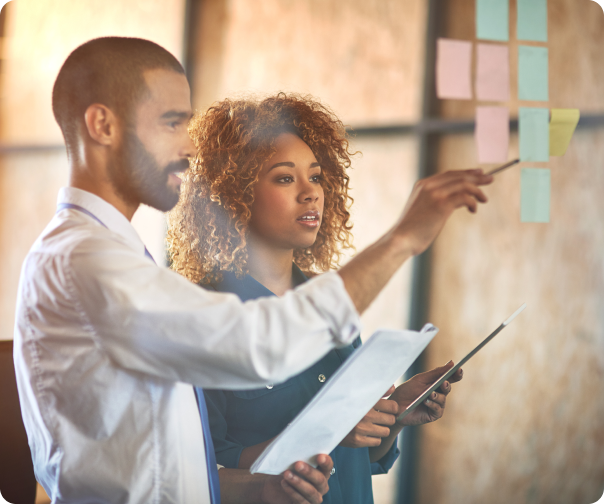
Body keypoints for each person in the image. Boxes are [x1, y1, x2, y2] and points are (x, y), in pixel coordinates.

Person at [13, 37, 492, 504]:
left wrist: (269, 488)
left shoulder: (118, 255)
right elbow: (257, 346)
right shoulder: (85, 260)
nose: (189, 147)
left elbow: (183, 469)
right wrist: (402, 238)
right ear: (102, 124)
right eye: (171, 122)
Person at [167, 94, 464, 503]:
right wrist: (334, 429)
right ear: (233, 193)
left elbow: (364, 453)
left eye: (317, 177)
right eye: (285, 178)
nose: (311, 194)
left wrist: (392, 415)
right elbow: (204, 472)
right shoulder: (205, 314)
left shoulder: (333, 300)